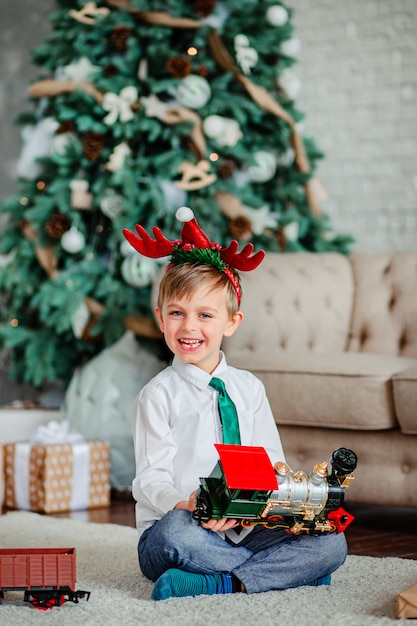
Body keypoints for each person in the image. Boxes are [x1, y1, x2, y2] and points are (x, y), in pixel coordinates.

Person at [123, 207, 348, 601]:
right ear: (161, 319)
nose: (189, 327)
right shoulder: (157, 395)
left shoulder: (250, 388)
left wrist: (276, 507)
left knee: (332, 543)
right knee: (174, 534)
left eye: (204, 315)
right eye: (177, 313)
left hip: (248, 527)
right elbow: (149, 480)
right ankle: (279, 574)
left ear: (231, 322)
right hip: (185, 529)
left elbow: (273, 464)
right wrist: (188, 505)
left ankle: (224, 581)